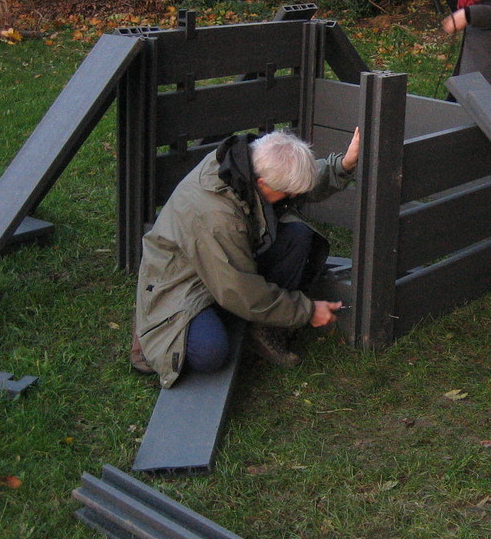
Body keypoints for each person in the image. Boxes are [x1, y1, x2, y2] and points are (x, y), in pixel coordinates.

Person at [131, 127, 360, 388]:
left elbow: (293, 178)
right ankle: (152, 325)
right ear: (262, 183)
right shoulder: (216, 216)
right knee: (210, 352)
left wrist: (342, 165)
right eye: (288, 193)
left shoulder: (246, 162)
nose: (293, 197)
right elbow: (239, 290)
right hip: (183, 280)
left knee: (298, 236)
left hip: (225, 260)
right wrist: (307, 311)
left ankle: (260, 326)